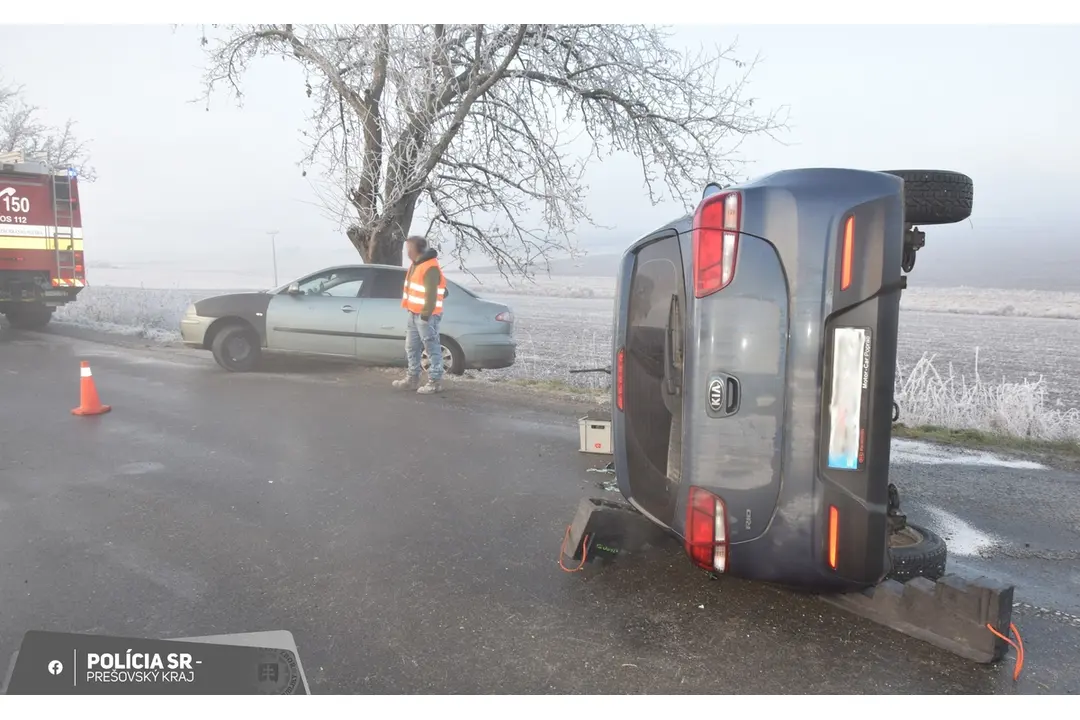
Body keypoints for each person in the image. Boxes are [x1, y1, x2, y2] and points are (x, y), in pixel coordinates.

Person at [393, 235, 448, 394]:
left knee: (432, 349)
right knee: (411, 347)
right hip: (413, 314)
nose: (406, 252)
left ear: (415, 249)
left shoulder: (429, 267)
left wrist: (425, 315)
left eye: (408, 249)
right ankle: (412, 379)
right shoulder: (417, 264)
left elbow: (432, 293)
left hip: (426, 316)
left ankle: (435, 382)